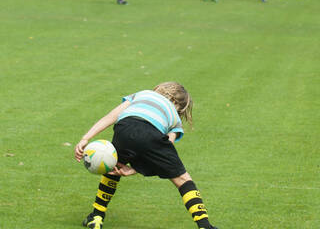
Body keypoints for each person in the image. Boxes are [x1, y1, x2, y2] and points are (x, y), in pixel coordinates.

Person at [75, 82, 219, 229]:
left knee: (113, 166)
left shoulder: (142, 94)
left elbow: (111, 116)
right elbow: (162, 148)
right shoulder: (175, 120)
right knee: (183, 180)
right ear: (180, 107)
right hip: (152, 134)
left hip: (125, 127)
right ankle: (205, 226)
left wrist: (86, 138)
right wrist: (136, 169)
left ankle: (97, 216)